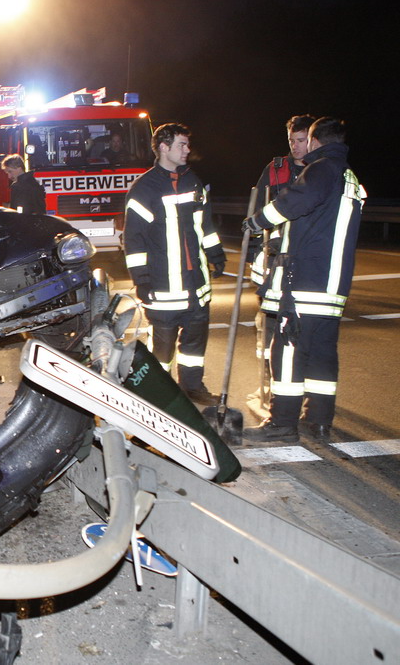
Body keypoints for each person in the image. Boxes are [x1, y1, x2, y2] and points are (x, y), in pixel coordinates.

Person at [241, 117, 365, 442]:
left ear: (314, 140)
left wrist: (257, 221)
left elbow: (294, 202)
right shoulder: (349, 176)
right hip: (333, 286)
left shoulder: (322, 169)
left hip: (306, 283)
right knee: (322, 355)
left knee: (288, 350)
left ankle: (282, 424)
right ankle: (319, 422)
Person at [124, 123, 226, 406]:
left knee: (194, 347)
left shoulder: (193, 180)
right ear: (164, 148)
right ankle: (162, 396)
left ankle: (193, 388)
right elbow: (134, 239)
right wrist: (141, 279)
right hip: (164, 287)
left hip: (196, 286)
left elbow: (204, 224)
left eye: (188, 145)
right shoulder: (144, 188)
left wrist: (215, 253)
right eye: (182, 145)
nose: (187, 150)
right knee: (163, 350)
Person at [247, 114, 315, 405]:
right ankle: (268, 382)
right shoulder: (274, 170)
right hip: (273, 257)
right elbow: (259, 210)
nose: (296, 147)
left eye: (301, 140)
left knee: (305, 324)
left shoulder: (320, 171)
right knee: (269, 321)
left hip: (306, 258)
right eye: (292, 141)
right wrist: (253, 253)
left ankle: (301, 384)